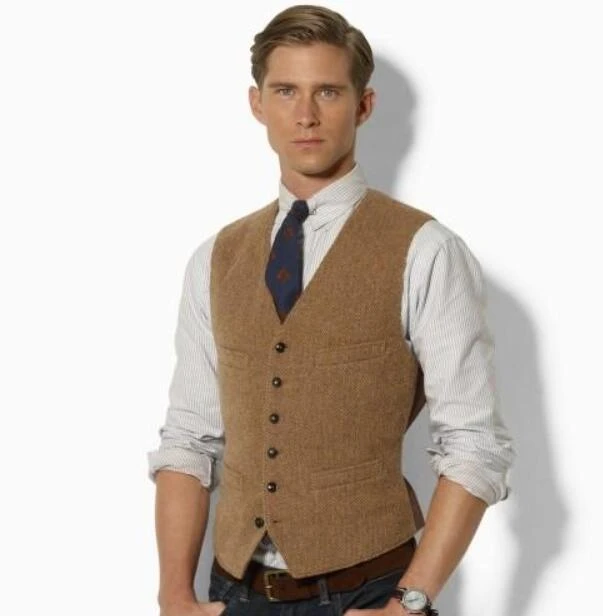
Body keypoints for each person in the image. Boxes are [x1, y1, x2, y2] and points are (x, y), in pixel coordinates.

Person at [146, 5, 516, 616]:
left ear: (363, 105)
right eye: (285, 91)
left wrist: (410, 604)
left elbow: (473, 443)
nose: (306, 115)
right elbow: (189, 436)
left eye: (328, 92)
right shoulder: (215, 257)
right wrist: (174, 597)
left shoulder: (425, 250)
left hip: (368, 593)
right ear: (257, 104)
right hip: (231, 590)